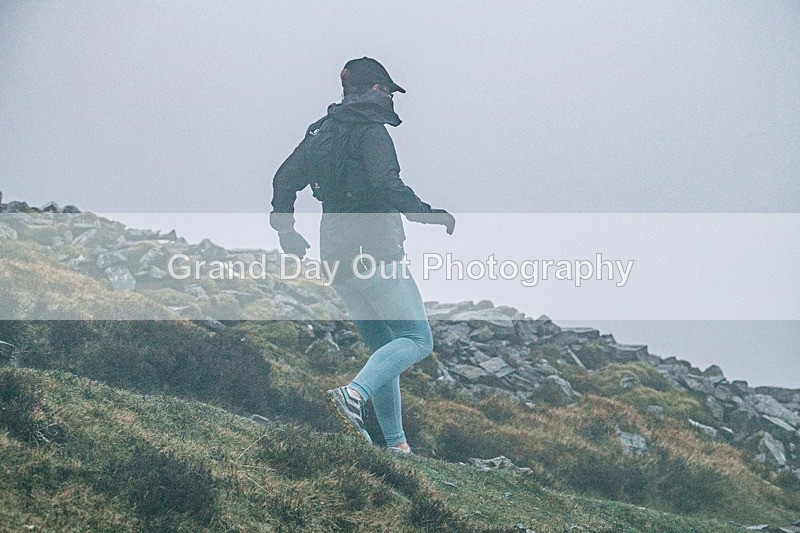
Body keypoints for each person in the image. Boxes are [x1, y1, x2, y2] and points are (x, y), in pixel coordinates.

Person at [270, 57, 455, 453]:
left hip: (335, 256)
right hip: (376, 251)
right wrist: (429, 214)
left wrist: (287, 233)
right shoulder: (372, 133)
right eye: (388, 90)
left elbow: (284, 181)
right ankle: (353, 396)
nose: (391, 97)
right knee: (417, 340)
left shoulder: (319, 134)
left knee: (384, 350)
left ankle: (396, 445)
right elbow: (387, 184)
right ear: (374, 90)